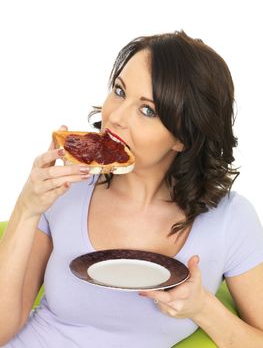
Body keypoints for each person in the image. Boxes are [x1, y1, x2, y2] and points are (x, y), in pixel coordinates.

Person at [0, 30, 263, 348]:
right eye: (120, 91)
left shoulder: (230, 220)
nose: (116, 117)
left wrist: (204, 309)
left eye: (148, 110)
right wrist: (27, 209)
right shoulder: (66, 189)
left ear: (182, 137)